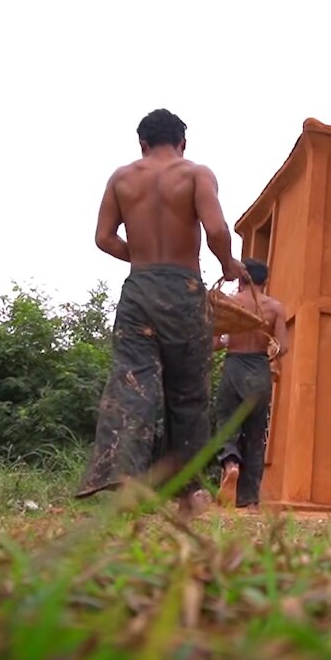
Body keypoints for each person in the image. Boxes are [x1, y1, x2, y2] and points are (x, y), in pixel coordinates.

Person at [75, 108, 249, 517]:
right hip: (183, 290)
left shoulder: (121, 178)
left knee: (132, 384)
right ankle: (186, 493)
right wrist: (227, 264)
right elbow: (218, 230)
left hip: (138, 290)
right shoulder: (195, 173)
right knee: (187, 392)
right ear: (182, 143)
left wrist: (142, 257)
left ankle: (127, 484)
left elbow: (103, 238)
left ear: (142, 143)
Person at [211, 258, 289, 509]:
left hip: (234, 366)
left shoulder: (229, 304)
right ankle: (250, 500)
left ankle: (231, 463)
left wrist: (224, 342)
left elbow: (214, 343)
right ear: (265, 281)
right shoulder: (275, 308)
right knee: (256, 434)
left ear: (242, 279)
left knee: (226, 424)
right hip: (259, 370)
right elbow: (282, 347)